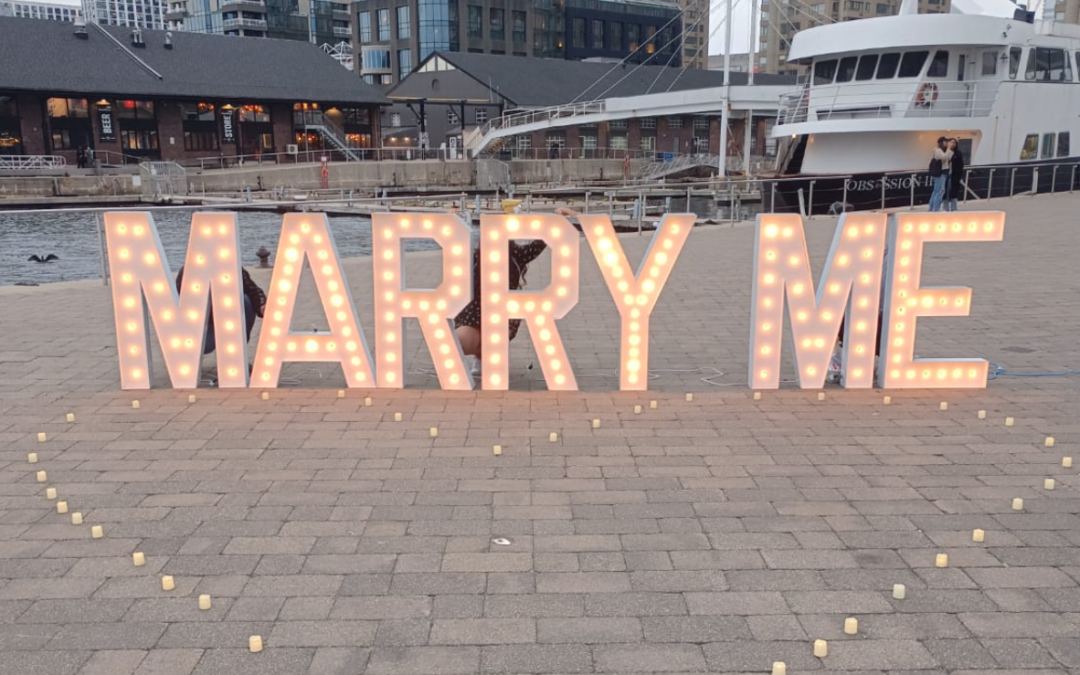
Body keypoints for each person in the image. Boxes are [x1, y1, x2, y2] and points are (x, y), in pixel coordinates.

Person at [454, 218, 549, 378]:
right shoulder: (475, 257)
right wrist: (454, 221)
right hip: (473, 314)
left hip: (501, 314)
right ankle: (481, 355)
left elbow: (541, 241)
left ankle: (485, 355)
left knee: (492, 338)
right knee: (459, 342)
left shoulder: (516, 255)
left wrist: (560, 217)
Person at [175, 266, 266, 379]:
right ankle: (187, 359)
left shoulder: (231, 265)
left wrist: (262, 306)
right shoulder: (189, 271)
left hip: (225, 326)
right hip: (200, 332)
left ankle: (236, 358)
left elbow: (253, 290)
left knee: (245, 301)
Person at [928, 136, 952, 212]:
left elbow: (948, 157)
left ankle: (931, 208)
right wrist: (949, 148)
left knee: (936, 191)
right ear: (941, 142)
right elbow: (944, 157)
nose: (947, 143)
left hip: (942, 173)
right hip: (940, 173)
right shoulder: (938, 150)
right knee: (939, 191)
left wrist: (949, 149)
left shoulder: (941, 150)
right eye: (945, 141)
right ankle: (936, 209)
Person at [945, 138, 964, 212]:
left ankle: (954, 208)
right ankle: (945, 208)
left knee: (954, 192)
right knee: (945, 192)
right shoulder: (945, 152)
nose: (953, 144)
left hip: (954, 176)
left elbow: (961, 165)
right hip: (945, 175)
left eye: (954, 143)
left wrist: (960, 176)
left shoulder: (958, 153)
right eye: (951, 142)